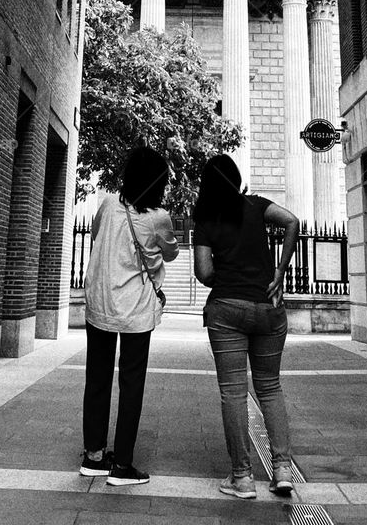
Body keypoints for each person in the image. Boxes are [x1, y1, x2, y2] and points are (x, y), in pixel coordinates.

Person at [193, 154, 299, 500]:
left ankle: (242, 477)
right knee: (270, 388)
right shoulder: (257, 206)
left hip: (227, 310)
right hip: (269, 309)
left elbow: (204, 272)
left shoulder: (207, 218)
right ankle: (282, 469)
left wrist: (225, 273)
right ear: (236, 178)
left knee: (234, 393)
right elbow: (292, 221)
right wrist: (280, 271)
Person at [80, 146, 178, 487]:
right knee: (131, 384)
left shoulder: (107, 204)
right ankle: (122, 465)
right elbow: (172, 252)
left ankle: (93, 457)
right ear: (158, 182)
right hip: (135, 309)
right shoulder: (158, 218)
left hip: (100, 304)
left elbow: (94, 235)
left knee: (97, 379)